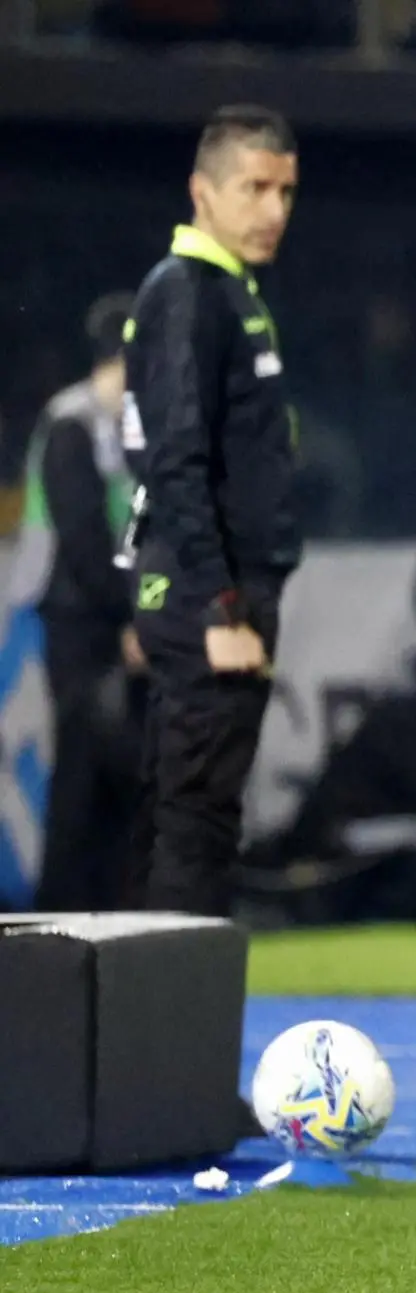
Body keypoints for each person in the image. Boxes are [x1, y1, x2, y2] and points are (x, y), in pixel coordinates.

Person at [124, 105, 301, 917]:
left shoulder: (231, 292)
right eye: (254, 188)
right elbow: (176, 460)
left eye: (285, 191)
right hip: (208, 597)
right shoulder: (188, 292)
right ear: (203, 190)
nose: (273, 210)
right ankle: (165, 1036)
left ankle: (159, 1029)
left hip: (226, 591)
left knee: (201, 811)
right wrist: (219, 603)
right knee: (194, 819)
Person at [13, 295, 147, 910]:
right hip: (75, 620)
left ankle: (108, 908)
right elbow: (84, 540)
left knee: (114, 775)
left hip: (109, 619)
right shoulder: (74, 423)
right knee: (80, 771)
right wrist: (129, 617)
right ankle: (62, 909)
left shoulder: (120, 428)